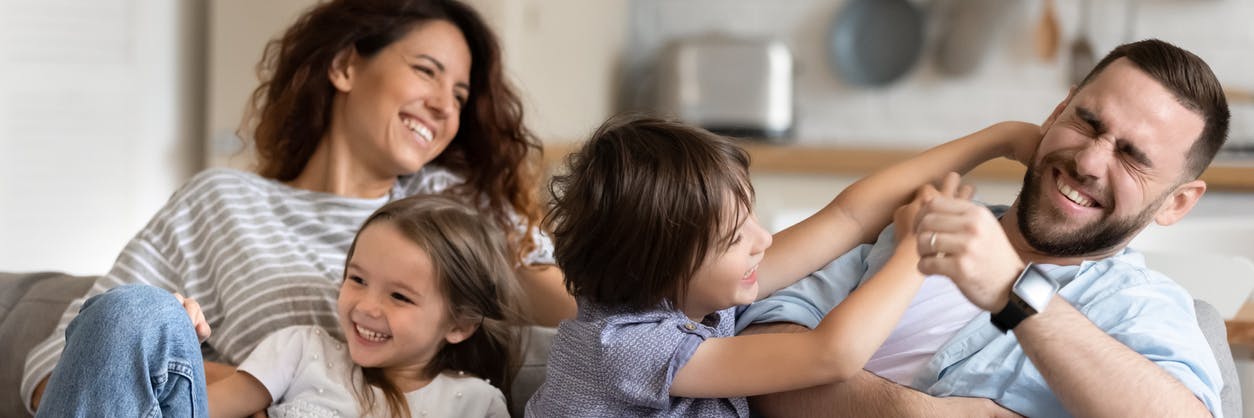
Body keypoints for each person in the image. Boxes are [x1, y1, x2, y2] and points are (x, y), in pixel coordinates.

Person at [22, 0, 574, 414]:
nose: (443, 104)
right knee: (137, 312)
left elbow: (588, 314)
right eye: (427, 70)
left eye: (459, 95)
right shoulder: (221, 201)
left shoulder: (460, 211)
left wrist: (501, 241)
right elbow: (60, 371)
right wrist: (247, 380)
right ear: (345, 68)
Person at [741, 38, 1230, 418]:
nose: (1089, 161)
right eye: (1087, 124)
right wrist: (913, 411)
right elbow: (749, 350)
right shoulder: (919, 222)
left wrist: (1015, 292)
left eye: (1131, 156)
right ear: (1057, 113)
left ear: (1178, 202)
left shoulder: (1143, 308)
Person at [525, 115, 1040, 416]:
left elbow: (850, 214)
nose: (762, 240)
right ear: (657, 267)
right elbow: (830, 355)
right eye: (734, 237)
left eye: (751, 216)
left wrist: (997, 140)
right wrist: (914, 253)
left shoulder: (691, 290)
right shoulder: (626, 345)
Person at [41, 195, 519, 417]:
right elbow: (194, 410)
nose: (366, 306)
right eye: (357, 279)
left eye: (399, 296)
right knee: (138, 310)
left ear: (458, 325)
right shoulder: (302, 349)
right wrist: (162, 338)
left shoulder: (475, 404)